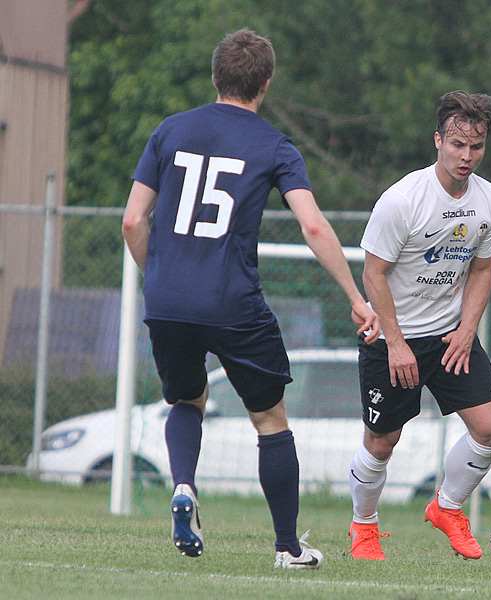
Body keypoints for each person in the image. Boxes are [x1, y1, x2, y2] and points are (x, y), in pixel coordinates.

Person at [121, 28, 379, 570]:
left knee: (187, 399)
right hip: (233, 302)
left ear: (215, 77)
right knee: (269, 419)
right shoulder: (274, 145)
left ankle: (185, 486)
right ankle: (287, 547)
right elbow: (312, 226)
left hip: (167, 299)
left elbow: (132, 220)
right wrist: (355, 296)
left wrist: (161, 274)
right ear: (265, 84)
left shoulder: (169, 130)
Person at [347, 90, 491, 561]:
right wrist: (396, 344)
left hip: (448, 336)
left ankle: (448, 507)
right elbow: (373, 273)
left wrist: (465, 328)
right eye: (457, 144)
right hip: (393, 340)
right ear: (438, 140)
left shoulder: (488, 199)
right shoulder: (402, 200)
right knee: (383, 440)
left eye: (475, 147)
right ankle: (364, 527)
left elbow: (481, 268)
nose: (466, 156)